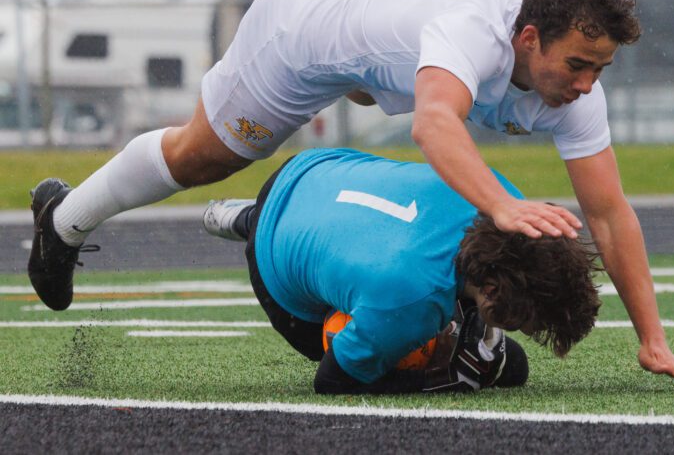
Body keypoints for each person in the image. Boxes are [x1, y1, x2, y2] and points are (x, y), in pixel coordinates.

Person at [26, 0, 674, 390]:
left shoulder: (573, 87)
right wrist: (501, 204)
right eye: (579, 64)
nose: (590, 84)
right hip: (304, 32)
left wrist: (652, 337)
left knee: (368, 86)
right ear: (529, 37)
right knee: (203, 155)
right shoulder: (472, 37)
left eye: (601, 68)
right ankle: (63, 219)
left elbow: (611, 214)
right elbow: (434, 127)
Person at [203, 147, 602, 394]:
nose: (521, 330)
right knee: (505, 366)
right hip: (273, 259)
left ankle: (255, 214)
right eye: (521, 320)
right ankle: (256, 222)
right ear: (496, 291)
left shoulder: (507, 201)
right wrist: (446, 379)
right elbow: (331, 381)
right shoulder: (413, 299)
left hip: (314, 169)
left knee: (502, 359)